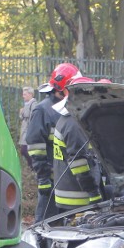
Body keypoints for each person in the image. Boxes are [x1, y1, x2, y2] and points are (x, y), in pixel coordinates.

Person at [26, 63, 82, 221]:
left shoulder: (68, 107)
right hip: (51, 180)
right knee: (46, 224)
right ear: (63, 87)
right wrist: (43, 178)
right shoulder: (43, 110)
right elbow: (35, 146)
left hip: (67, 180)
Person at [51, 76, 103, 211]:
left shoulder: (68, 119)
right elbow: (78, 162)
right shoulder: (74, 124)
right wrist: (94, 193)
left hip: (69, 192)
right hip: (79, 197)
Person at [17, 86, 36, 164]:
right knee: (24, 150)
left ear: (30, 94)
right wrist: (21, 112)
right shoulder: (27, 104)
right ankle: (33, 167)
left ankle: (34, 167)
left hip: (28, 131)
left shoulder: (33, 104)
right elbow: (22, 117)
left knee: (24, 150)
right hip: (25, 130)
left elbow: (33, 118)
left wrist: (23, 113)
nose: (23, 96)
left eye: (24, 94)